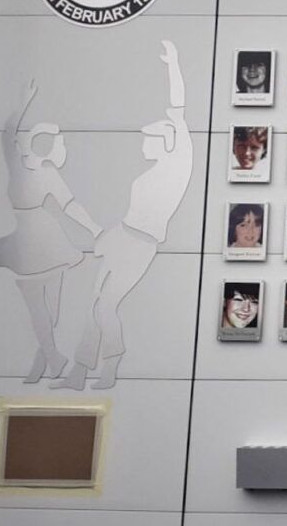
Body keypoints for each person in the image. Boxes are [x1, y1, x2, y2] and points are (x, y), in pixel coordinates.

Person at [56, 41, 193, 391]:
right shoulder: (152, 171)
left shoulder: (178, 165)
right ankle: (78, 372)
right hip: (123, 233)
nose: (144, 142)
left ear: (167, 141)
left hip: (142, 243)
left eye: (151, 136)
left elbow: (178, 107)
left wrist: (172, 64)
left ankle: (111, 366)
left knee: (106, 306)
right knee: (93, 302)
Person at [0, 81, 102, 383]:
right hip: (32, 242)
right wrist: (24, 101)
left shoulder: (42, 173)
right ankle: (52, 357)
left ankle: (45, 361)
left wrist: (95, 229)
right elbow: (8, 133)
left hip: (46, 241)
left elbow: (71, 206)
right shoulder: (22, 168)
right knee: (41, 307)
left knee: (50, 309)